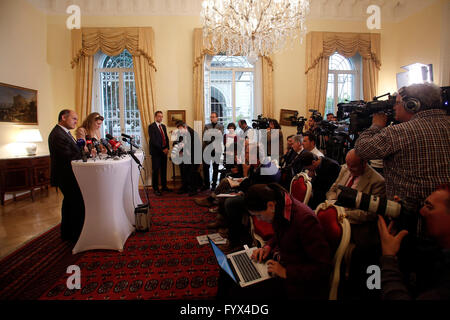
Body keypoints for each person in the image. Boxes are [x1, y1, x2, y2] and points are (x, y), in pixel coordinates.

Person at [355, 83, 450, 237]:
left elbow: (362, 149)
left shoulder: (401, 132)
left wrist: (376, 125)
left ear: (412, 104)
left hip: (411, 225)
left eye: (397, 103)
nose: (394, 108)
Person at [216, 183, 331, 300]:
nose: (259, 220)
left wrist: (285, 272)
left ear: (270, 205)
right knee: (228, 267)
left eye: (259, 215)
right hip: (282, 261)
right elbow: (282, 234)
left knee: (238, 291)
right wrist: (268, 247)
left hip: (297, 280)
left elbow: (323, 267)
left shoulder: (305, 220)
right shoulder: (281, 206)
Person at [378, 184, 450, 300]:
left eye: (430, 207)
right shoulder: (439, 251)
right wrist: (404, 222)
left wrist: (388, 257)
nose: (422, 212)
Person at [48, 109, 84, 242]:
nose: (76, 121)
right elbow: (67, 156)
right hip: (65, 175)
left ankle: (68, 232)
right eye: (74, 118)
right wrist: (84, 154)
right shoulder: (57, 134)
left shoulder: (65, 133)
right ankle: (74, 234)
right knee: (75, 203)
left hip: (69, 175)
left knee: (69, 203)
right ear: (63, 117)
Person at [174, 120, 201, 196]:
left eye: (180, 129)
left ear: (185, 127)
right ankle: (185, 187)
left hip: (194, 157)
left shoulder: (192, 133)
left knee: (192, 174)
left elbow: (195, 147)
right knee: (184, 173)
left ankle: (193, 189)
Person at [148, 111, 171, 196]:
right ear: (155, 117)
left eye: (161, 116)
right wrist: (162, 149)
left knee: (164, 170)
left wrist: (167, 148)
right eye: (159, 116)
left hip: (164, 152)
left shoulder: (163, 126)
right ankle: (156, 188)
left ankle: (164, 186)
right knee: (156, 171)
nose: (160, 118)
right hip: (156, 153)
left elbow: (166, 138)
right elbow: (154, 141)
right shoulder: (151, 126)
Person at [202, 112, 224, 191]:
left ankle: (214, 184)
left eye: (214, 117)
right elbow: (205, 137)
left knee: (215, 167)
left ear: (217, 118)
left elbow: (220, 136)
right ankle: (207, 184)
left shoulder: (221, 126)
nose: (212, 118)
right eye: (211, 117)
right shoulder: (206, 126)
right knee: (206, 167)